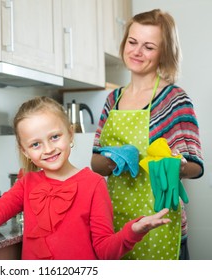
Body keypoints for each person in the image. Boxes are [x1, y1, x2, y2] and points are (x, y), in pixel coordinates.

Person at [0, 96, 171, 260]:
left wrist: (133, 231)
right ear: (25, 151)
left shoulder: (93, 185)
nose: (48, 149)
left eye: (54, 137)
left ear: (70, 134)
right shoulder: (27, 184)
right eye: (36, 144)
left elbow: (105, 250)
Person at [91, 9, 204, 260]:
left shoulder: (174, 100)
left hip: (160, 222)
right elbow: (95, 163)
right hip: (116, 224)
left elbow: (196, 166)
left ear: (163, 53)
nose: (137, 51)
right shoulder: (113, 99)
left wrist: (177, 166)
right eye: (132, 42)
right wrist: (115, 159)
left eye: (149, 47)